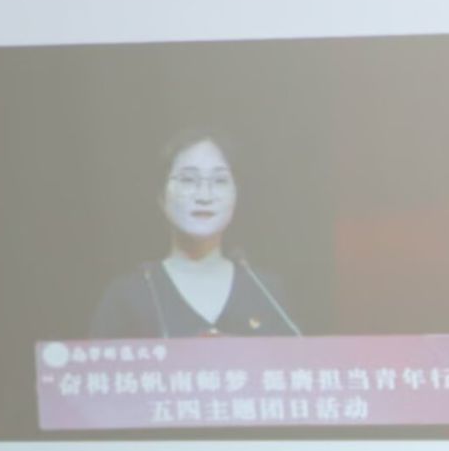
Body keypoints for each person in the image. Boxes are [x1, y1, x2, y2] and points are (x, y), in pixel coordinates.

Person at [88, 131, 303, 339]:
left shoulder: (267, 292)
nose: (204, 196)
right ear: (161, 197)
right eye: (188, 180)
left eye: (219, 181)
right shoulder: (128, 296)